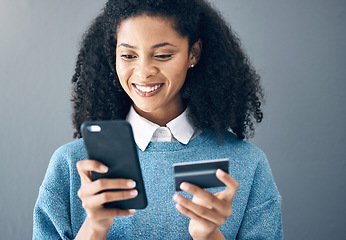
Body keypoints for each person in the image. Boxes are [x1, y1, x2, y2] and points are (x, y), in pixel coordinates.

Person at [33, 0, 283, 239]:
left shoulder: (248, 165)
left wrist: (209, 236)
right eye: (129, 56)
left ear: (193, 53)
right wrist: (95, 228)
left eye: (163, 55)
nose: (143, 72)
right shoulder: (72, 165)